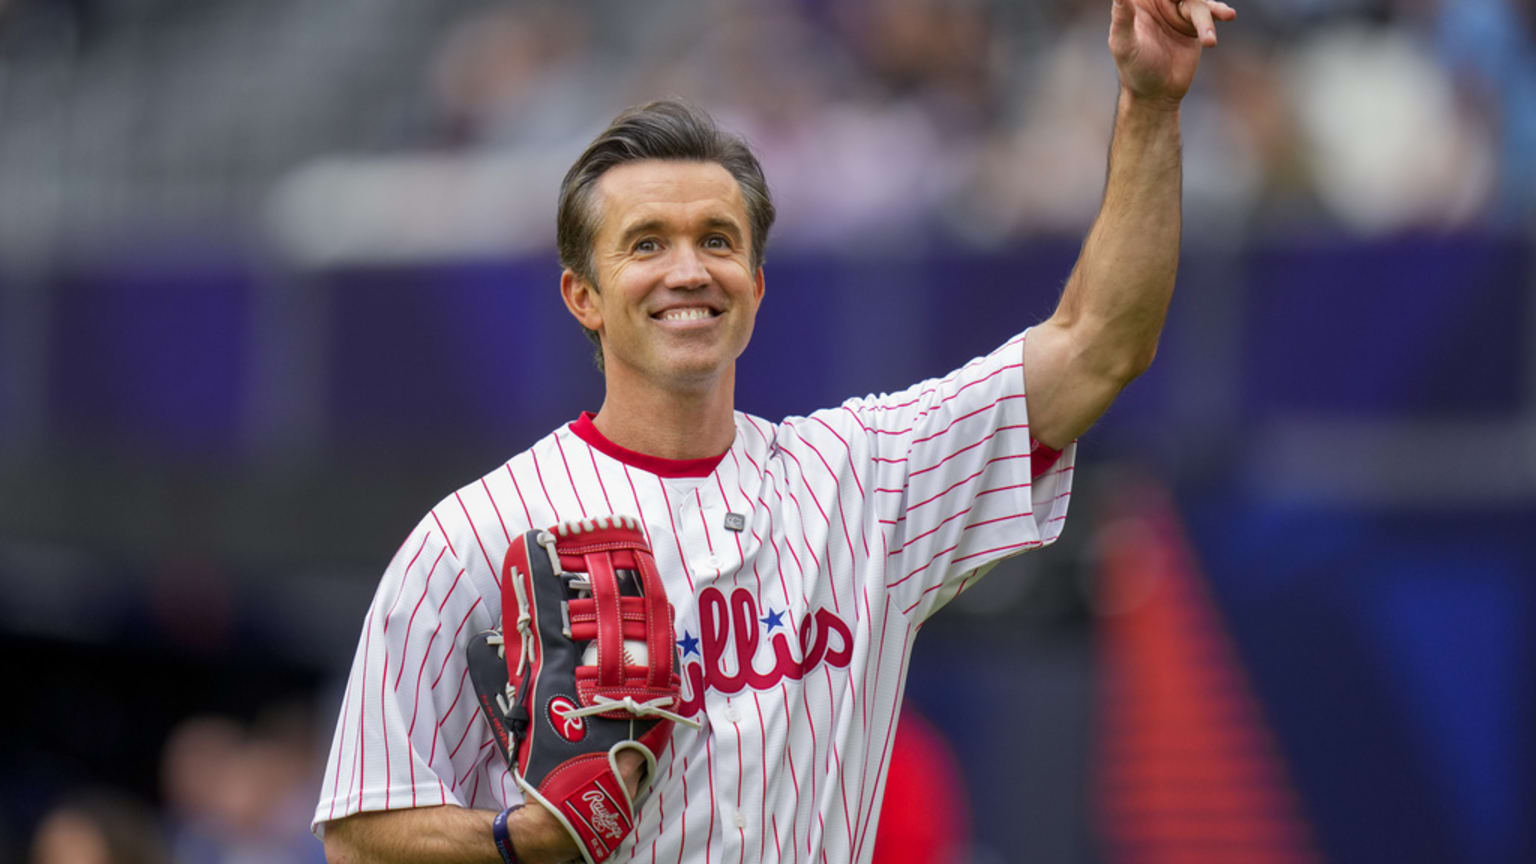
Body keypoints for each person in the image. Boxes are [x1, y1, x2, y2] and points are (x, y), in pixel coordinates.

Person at [314, 1, 1236, 861]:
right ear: (582, 296)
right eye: (646, 244)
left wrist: (1149, 102)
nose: (688, 270)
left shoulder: (864, 478)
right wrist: (520, 841)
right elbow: (358, 831)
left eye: (718, 240)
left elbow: (1100, 345)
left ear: (756, 286)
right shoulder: (470, 535)